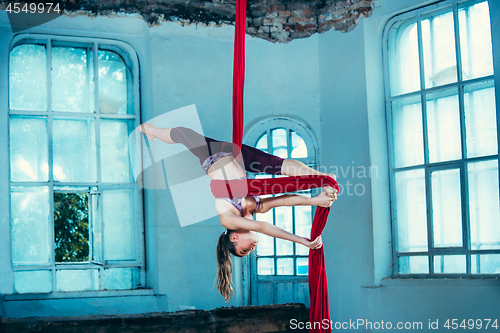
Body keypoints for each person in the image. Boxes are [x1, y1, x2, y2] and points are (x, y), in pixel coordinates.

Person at [139, 123, 337, 301]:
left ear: (234, 239)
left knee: (182, 133)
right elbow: (284, 200)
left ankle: (151, 131)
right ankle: (324, 178)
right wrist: (315, 200)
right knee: (281, 166)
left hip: (213, 154)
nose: (252, 249)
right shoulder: (254, 208)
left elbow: (262, 227)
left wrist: (301, 241)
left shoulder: (229, 220)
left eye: (245, 250)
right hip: (238, 157)